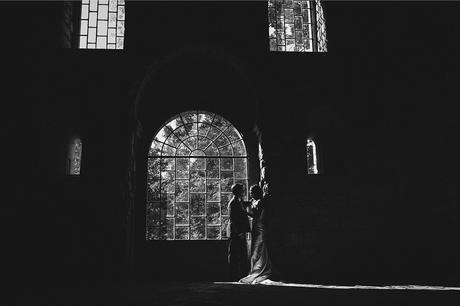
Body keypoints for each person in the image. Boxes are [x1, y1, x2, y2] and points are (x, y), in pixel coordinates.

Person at [239, 184, 272, 284]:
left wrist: (245, 213)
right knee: (254, 249)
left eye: (252, 192)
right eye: (250, 191)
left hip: (260, 227)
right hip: (254, 227)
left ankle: (258, 271)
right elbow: (245, 203)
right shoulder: (253, 201)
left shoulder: (261, 202)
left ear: (257, 192)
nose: (250, 193)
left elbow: (257, 215)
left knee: (258, 250)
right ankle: (253, 270)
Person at [227, 183, 251, 281]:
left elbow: (243, 205)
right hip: (236, 232)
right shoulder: (233, 203)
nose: (243, 191)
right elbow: (234, 218)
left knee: (240, 253)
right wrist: (238, 232)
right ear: (237, 191)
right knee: (234, 253)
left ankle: (240, 274)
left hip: (239, 231)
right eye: (242, 190)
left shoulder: (238, 200)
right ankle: (233, 275)